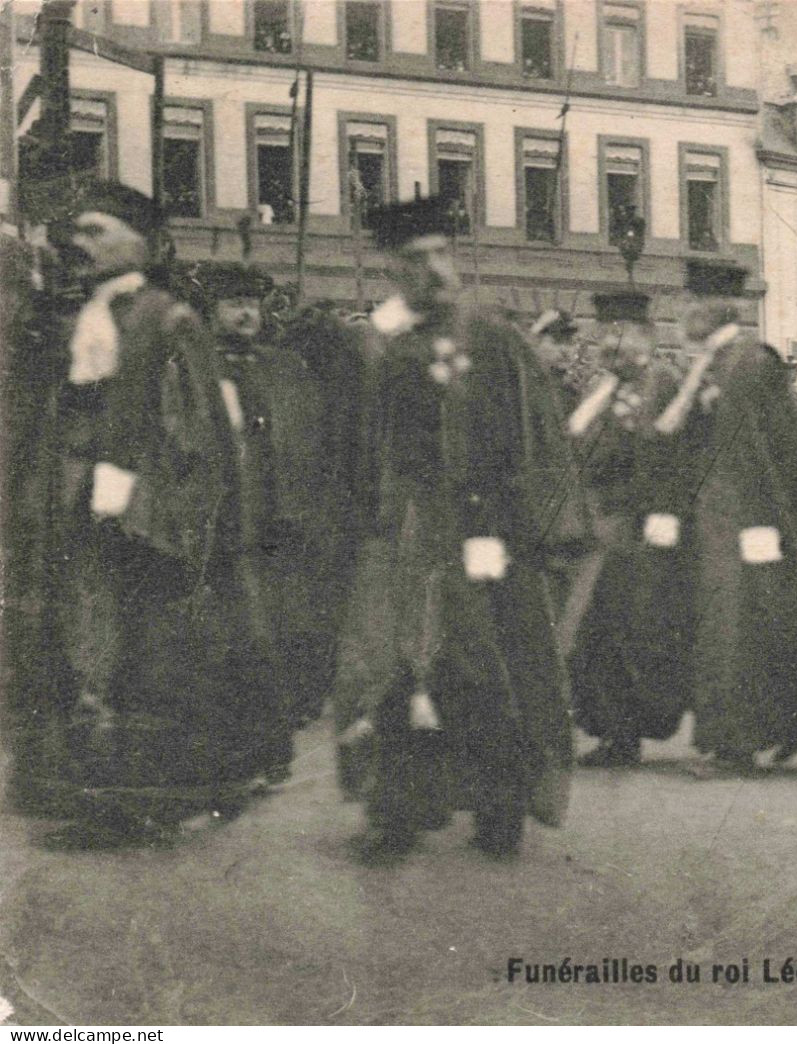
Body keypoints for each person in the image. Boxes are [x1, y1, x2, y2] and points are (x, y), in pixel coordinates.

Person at [334, 192, 589, 864]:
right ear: (389, 265)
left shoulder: (490, 336)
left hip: (484, 530)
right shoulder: (377, 343)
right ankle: (396, 809)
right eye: (416, 258)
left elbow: (536, 439)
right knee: (391, 667)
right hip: (404, 536)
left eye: (442, 253)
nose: (435, 269)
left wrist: (515, 523)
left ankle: (500, 806)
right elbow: (359, 444)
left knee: (487, 666)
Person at [15, 181, 270, 846]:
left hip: (144, 516)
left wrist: (122, 490)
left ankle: (136, 805)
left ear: (142, 241)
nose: (82, 242)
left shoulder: (167, 319)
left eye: (99, 230)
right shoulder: (82, 314)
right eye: (80, 232)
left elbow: (190, 431)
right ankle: (71, 783)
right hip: (74, 500)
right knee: (79, 639)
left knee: (145, 652)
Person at [657, 260, 797, 775]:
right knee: (756, 621)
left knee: (738, 628)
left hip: (748, 519)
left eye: (690, 302)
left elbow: (788, 441)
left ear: (718, 308)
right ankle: (782, 722)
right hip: (715, 517)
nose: (682, 312)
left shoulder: (750, 362)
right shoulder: (713, 363)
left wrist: (777, 520)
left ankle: (736, 744)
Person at [193, 262, 346, 775]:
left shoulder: (284, 369)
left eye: (253, 304)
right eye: (233, 303)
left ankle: (267, 745)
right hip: (222, 518)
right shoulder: (196, 367)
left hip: (280, 519)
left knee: (280, 628)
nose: (245, 313)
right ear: (211, 310)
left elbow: (310, 440)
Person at [565, 290, 695, 767]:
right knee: (597, 631)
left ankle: (626, 732)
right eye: (601, 335)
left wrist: (664, 513)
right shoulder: (602, 384)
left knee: (625, 630)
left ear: (644, 335)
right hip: (599, 523)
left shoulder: (661, 380)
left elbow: (669, 454)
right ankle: (612, 730)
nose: (606, 344)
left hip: (637, 526)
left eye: (615, 334)